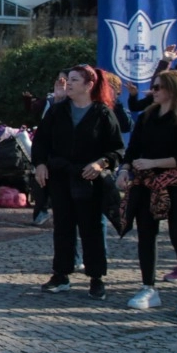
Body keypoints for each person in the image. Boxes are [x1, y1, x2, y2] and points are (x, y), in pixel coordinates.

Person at [119, 70, 177, 317]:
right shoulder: (148, 116)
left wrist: (153, 162)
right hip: (147, 183)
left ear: (173, 89)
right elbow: (133, 148)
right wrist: (125, 169)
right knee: (146, 235)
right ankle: (148, 287)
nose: (153, 91)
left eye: (158, 87)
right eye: (154, 87)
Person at [32, 64, 124, 299]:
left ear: (89, 85)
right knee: (62, 227)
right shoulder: (57, 111)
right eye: (67, 79)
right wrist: (40, 164)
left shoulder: (102, 113)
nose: (68, 84)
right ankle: (61, 274)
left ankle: (96, 277)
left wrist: (100, 164)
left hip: (89, 179)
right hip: (61, 176)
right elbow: (41, 141)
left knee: (91, 228)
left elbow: (116, 149)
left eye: (74, 80)